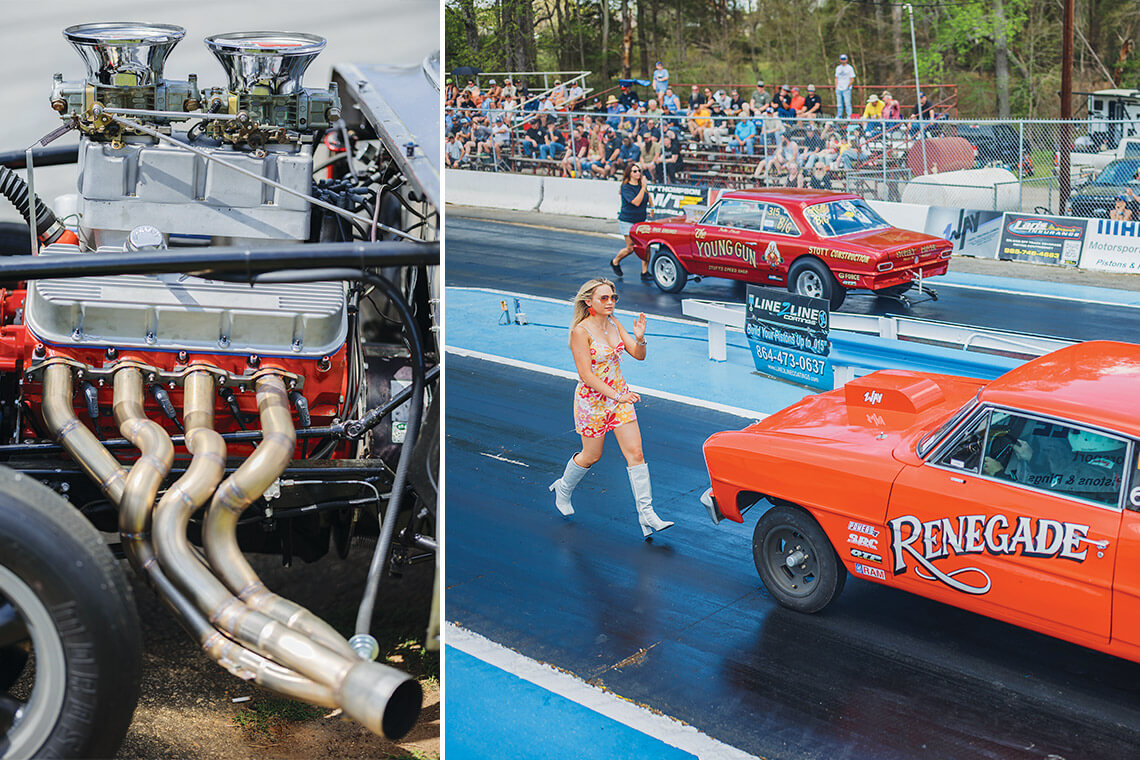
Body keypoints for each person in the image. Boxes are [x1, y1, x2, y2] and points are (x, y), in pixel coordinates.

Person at [549, 278, 674, 538]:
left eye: (613, 297)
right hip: (593, 402)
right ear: (589, 302)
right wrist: (618, 396)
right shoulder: (580, 332)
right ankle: (563, 488)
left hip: (619, 401)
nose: (610, 302)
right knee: (591, 456)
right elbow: (586, 375)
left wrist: (640, 339)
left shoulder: (614, 323)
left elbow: (638, 355)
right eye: (604, 298)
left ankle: (647, 514)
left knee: (636, 454)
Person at [611, 164, 654, 279]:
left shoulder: (641, 186)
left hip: (641, 220)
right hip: (627, 221)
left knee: (646, 246)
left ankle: (644, 272)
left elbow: (648, 196)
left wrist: (652, 207)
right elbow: (636, 202)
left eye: (639, 171)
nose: (638, 173)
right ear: (629, 173)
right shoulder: (626, 187)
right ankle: (615, 261)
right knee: (630, 248)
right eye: (635, 171)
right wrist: (643, 187)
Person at [834, 53, 856, 119]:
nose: (843, 60)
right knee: (839, 104)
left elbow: (852, 79)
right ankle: (838, 116)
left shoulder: (849, 68)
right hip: (839, 88)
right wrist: (836, 87)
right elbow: (836, 78)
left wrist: (847, 86)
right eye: (842, 59)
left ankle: (849, 116)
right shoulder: (838, 68)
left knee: (847, 103)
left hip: (846, 89)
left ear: (846, 60)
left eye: (844, 59)